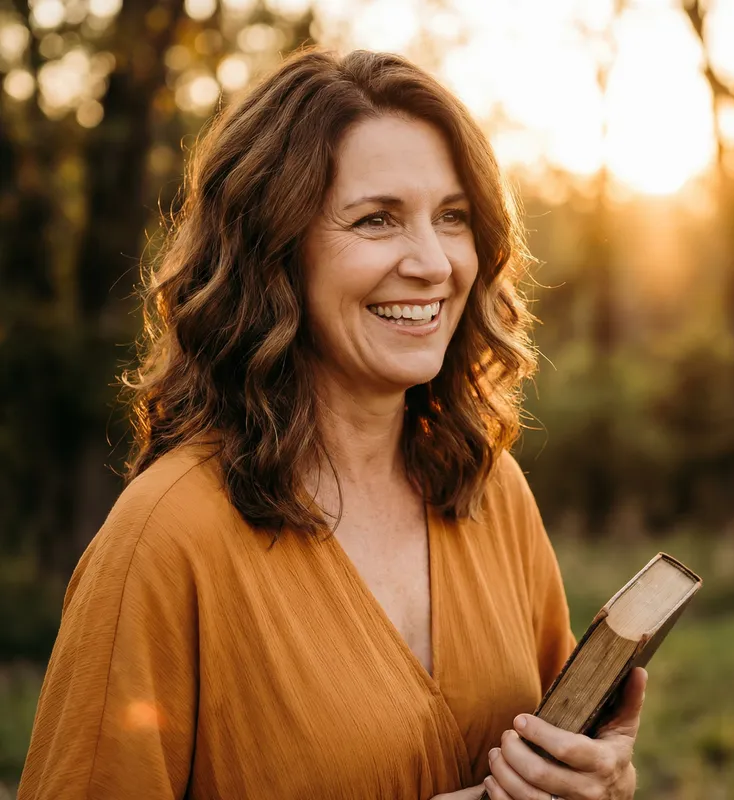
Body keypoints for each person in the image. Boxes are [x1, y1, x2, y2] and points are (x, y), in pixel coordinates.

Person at [18, 48, 646, 800]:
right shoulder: (163, 539)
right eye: (377, 219)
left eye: (452, 218)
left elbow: (558, 751)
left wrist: (600, 781)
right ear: (274, 252)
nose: (433, 263)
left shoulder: (490, 489)